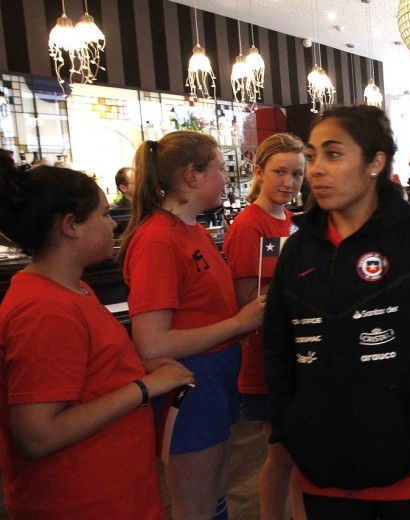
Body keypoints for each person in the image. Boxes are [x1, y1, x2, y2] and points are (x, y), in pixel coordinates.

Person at [263, 105, 410, 520]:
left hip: (408, 468)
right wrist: (293, 426)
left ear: (375, 162)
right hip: (321, 468)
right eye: (313, 154)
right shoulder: (300, 246)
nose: (316, 169)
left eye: (334, 154)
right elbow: (277, 345)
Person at [0, 157, 194, 519]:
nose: (112, 225)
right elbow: (38, 434)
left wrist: (140, 369)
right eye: (104, 215)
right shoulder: (43, 310)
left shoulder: (72, 290)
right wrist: (143, 387)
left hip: (115, 490)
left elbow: (86, 375)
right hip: (80, 499)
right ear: (70, 225)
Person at [119, 131, 266, 520]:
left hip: (214, 379)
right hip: (190, 384)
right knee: (196, 505)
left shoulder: (192, 230)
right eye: (219, 168)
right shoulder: (158, 240)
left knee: (215, 495)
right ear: (192, 175)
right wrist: (238, 323)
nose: (227, 177)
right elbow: (151, 343)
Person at [223, 133, 307, 520]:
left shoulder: (290, 221)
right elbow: (245, 303)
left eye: (296, 174)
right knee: (281, 454)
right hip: (265, 357)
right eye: (279, 172)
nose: (288, 183)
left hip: (296, 350)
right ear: (258, 171)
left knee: (297, 454)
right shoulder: (248, 225)